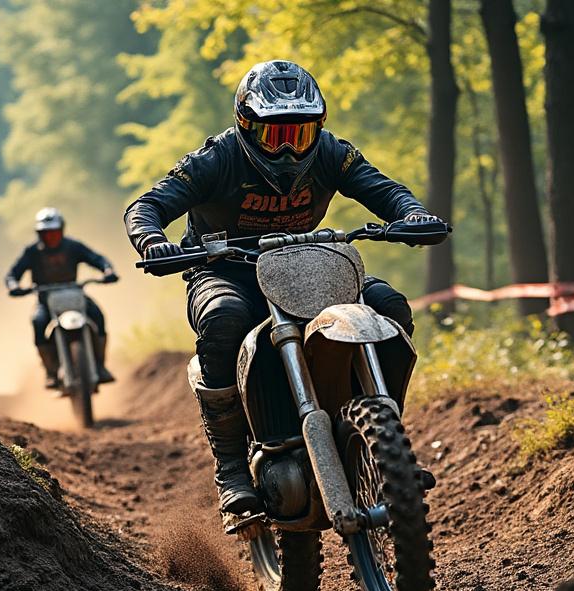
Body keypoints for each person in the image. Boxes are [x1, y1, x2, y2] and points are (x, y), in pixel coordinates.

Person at [123, 59, 445, 535]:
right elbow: (147, 206)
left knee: (391, 307)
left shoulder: (333, 153)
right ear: (247, 128)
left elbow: (386, 190)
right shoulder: (216, 159)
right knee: (224, 321)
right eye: (277, 137)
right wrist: (152, 240)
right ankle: (232, 471)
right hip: (226, 271)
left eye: (302, 133)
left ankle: (386, 444)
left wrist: (413, 215)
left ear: (319, 127)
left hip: (309, 266)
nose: (291, 149)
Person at [6, 207, 119, 387]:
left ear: (62, 230)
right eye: (46, 233)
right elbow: (13, 273)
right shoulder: (32, 251)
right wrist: (13, 285)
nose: (50, 237)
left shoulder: (73, 246)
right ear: (39, 234)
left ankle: (100, 365)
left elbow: (96, 258)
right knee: (38, 322)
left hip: (75, 295)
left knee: (98, 316)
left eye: (54, 232)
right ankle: (50, 371)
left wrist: (108, 270)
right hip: (46, 300)